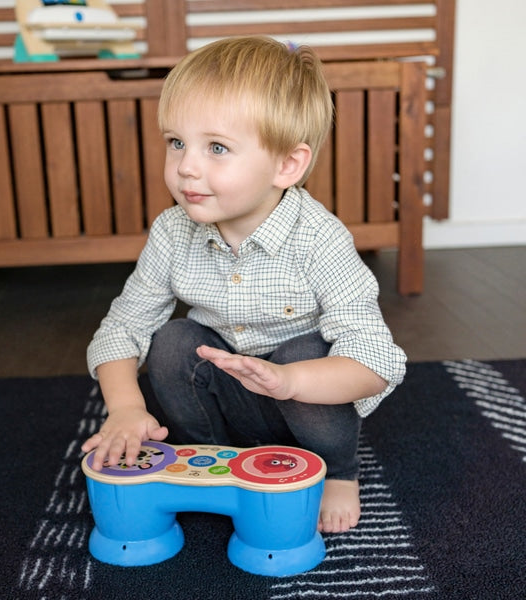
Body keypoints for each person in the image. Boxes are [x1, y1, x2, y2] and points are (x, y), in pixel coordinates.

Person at [82, 36, 406, 534]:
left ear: (287, 165)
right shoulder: (172, 232)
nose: (186, 166)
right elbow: (123, 326)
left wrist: (293, 381)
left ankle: (339, 470)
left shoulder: (319, 238)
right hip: (227, 391)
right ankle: (214, 458)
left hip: (303, 398)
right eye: (176, 142)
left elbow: (376, 359)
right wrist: (126, 407)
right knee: (172, 342)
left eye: (216, 147)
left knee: (305, 352)